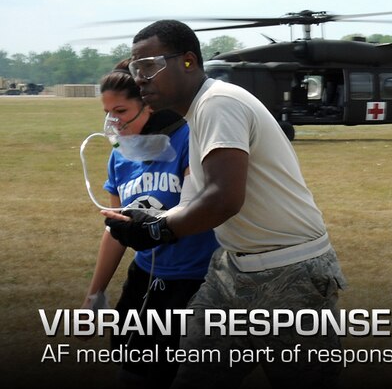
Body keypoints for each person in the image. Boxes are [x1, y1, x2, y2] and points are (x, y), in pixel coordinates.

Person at [102, 20, 347, 388]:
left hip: (289, 273)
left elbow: (224, 199)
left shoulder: (219, 103)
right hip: (233, 271)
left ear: (188, 61)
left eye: (150, 65)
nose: (140, 78)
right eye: (137, 68)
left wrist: (156, 228)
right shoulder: (199, 111)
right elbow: (200, 199)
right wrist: (152, 216)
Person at [81, 60, 219, 389]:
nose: (113, 122)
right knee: (129, 367)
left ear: (148, 104)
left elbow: (196, 207)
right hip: (145, 275)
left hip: (195, 278)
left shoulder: (189, 138)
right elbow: (117, 230)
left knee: (175, 374)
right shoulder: (120, 155)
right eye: (107, 112)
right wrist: (94, 293)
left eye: (121, 110)